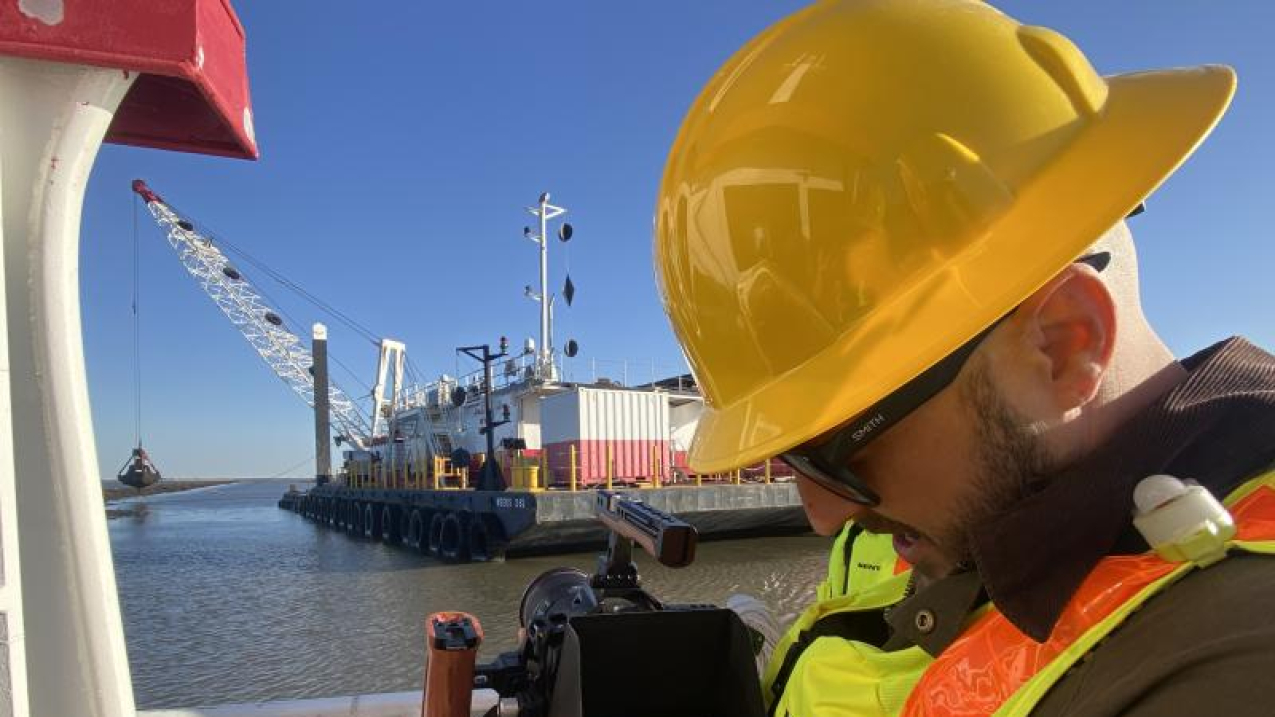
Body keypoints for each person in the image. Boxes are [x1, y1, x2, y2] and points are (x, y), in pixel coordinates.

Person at [654, 1, 1275, 715]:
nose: (821, 515)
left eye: (839, 449)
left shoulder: (1233, 648)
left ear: (1062, 343)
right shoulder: (982, 528)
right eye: (789, 455)